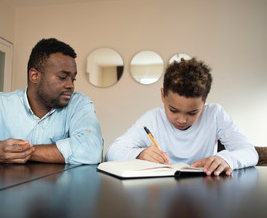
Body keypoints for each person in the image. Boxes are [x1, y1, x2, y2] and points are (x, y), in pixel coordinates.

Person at [105, 58, 258, 176]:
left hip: (204, 191)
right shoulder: (152, 119)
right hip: (162, 192)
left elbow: (250, 152)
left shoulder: (215, 115)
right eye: (173, 110)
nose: (181, 120)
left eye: (192, 113)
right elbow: (112, 151)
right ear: (163, 96)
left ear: (204, 102)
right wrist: (139, 154)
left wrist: (227, 159)